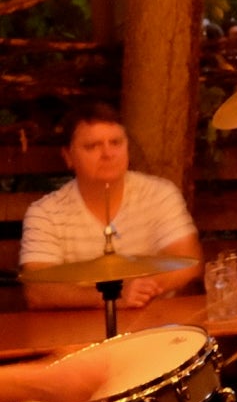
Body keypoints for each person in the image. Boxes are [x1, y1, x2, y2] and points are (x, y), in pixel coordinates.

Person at [20, 103, 202, 310]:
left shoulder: (159, 194)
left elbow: (188, 263)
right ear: (68, 156)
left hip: (153, 325)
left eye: (116, 143)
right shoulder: (45, 213)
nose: (108, 153)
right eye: (92, 146)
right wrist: (112, 297)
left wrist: (141, 291)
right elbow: (37, 291)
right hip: (80, 331)